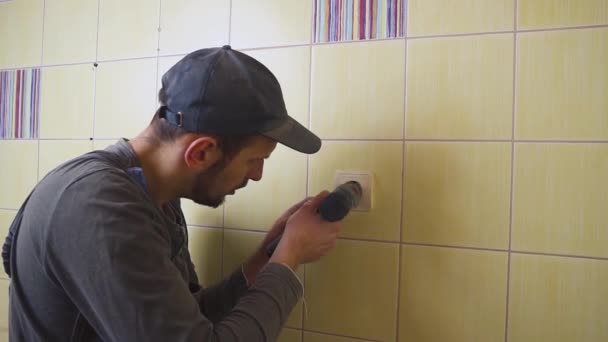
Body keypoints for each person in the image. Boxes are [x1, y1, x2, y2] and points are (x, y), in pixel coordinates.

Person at [2, 45, 342, 341]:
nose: (257, 175)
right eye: (254, 160)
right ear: (200, 153)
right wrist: (289, 257)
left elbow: (187, 322)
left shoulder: (152, 194)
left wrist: (261, 264)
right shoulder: (101, 205)